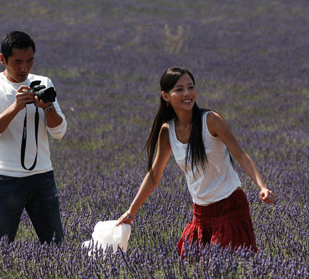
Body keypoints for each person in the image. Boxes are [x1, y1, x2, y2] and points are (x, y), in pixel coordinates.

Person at [117, 67, 275, 256]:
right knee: (193, 266)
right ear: (166, 96)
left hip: (230, 207)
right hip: (200, 214)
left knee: (225, 268)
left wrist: (262, 186)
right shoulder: (168, 132)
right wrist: (130, 213)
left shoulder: (211, 120)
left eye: (190, 87)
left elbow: (240, 154)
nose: (187, 94)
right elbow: (153, 176)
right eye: (179, 89)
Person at [0, 31, 66, 244]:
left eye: (30, 61)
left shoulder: (43, 82)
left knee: (56, 247)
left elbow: (59, 132)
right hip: (7, 179)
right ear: (2, 59)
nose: (24, 68)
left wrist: (48, 108)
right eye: (17, 62)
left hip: (43, 176)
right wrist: (16, 106)